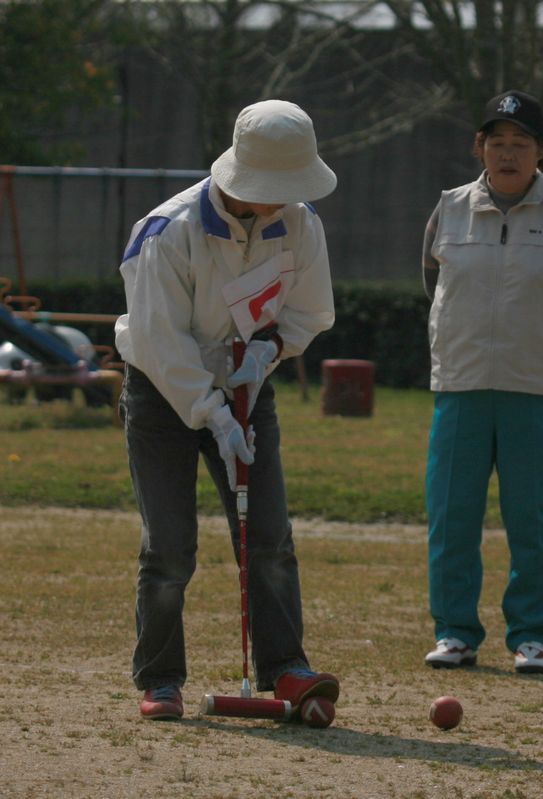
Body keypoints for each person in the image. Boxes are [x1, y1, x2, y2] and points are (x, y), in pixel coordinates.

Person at [116, 99, 341, 720]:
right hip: (163, 393)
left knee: (269, 537)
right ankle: (160, 678)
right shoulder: (168, 233)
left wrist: (267, 351)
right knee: (168, 547)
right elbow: (161, 343)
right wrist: (211, 411)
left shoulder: (300, 223)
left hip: (248, 388)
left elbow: (310, 311)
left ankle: (286, 667)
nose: (284, 201)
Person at [420, 90, 543, 674]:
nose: (508, 153)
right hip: (461, 382)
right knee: (452, 515)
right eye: (496, 141)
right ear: (479, 147)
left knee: (533, 519)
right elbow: (432, 281)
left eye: (521, 143)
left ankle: (530, 634)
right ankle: (455, 632)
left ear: (541, 151)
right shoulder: (448, 208)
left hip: (535, 385)